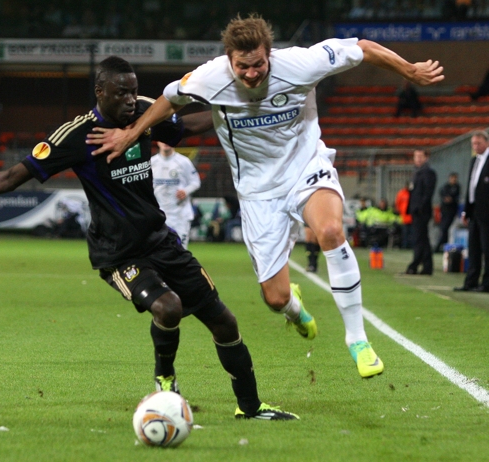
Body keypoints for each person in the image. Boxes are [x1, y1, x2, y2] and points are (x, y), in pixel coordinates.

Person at [0, 56, 298, 421]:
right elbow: (13, 176)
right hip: (118, 253)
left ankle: (251, 407)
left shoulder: (145, 114)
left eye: (133, 92)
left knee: (225, 322)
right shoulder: (75, 136)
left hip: (160, 240)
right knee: (167, 308)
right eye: (121, 93)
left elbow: (188, 126)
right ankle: (165, 381)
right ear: (100, 92)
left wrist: (238, 112)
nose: (130, 100)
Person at [87, 14, 444, 378]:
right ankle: (294, 309)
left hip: (305, 167)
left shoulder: (301, 63)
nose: (252, 73)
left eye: (258, 64)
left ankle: (357, 339)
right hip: (258, 192)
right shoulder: (211, 76)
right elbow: (169, 98)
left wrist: (409, 70)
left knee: (332, 232)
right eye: (243, 66)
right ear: (229, 58)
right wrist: (131, 134)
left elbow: (362, 48)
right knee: (274, 298)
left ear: (269, 54)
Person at [454, 131, 489, 292]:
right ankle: (471, 281)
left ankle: (487, 283)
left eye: (478, 143)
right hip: (474, 211)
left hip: (486, 213)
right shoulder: (474, 160)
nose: (475, 147)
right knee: (473, 248)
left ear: (487, 142)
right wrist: (466, 211)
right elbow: (471, 188)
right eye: (473, 144)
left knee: (487, 249)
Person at [151, 141, 201, 248]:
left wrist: (186, 191)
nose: (166, 142)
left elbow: (195, 182)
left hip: (180, 215)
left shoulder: (183, 162)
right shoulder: (152, 162)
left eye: (169, 138)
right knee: (159, 250)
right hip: (159, 216)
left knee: (181, 250)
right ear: (157, 142)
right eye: (162, 139)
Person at [405, 149, 437, 275]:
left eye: (420, 156)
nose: (417, 159)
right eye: (415, 156)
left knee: (419, 239)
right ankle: (427, 266)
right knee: (423, 239)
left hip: (421, 211)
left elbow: (428, 193)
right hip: (416, 210)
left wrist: (420, 207)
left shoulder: (428, 172)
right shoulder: (417, 172)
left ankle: (415, 265)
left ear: (426, 157)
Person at [434, 172, 460, 253]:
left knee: (445, 228)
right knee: (443, 228)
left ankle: (438, 247)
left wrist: (450, 198)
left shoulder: (457, 187)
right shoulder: (445, 187)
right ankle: (442, 246)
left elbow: (454, 196)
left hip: (451, 211)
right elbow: (442, 194)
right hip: (444, 211)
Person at [395, 183, 413, 249]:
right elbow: (398, 203)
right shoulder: (401, 193)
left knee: (412, 233)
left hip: (412, 217)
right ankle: (404, 246)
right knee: (405, 233)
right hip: (404, 217)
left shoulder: (412, 193)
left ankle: (411, 246)